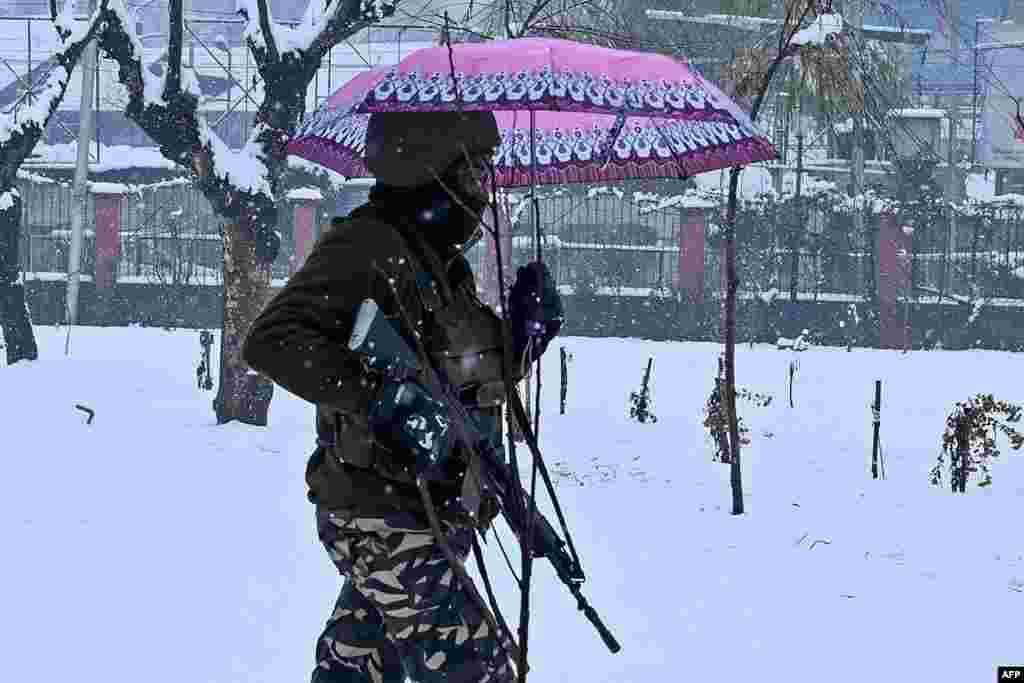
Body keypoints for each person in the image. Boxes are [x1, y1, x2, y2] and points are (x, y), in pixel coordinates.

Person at [243, 110, 563, 683]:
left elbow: (463, 381)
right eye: (474, 172)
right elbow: (272, 342)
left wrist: (525, 338)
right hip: (381, 512)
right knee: (478, 669)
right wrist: (377, 397)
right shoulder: (367, 245)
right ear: (430, 172)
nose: (484, 189)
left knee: (358, 666)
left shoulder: (442, 266)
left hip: (432, 508)